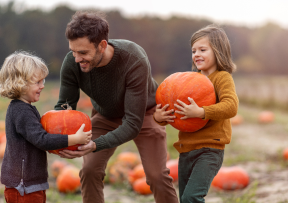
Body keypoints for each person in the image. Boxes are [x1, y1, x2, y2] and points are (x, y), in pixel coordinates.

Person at [54, 11, 178, 203]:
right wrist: (55, 137)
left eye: (83, 53)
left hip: (144, 114)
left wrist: (96, 144)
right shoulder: (72, 62)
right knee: (88, 171)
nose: (77, 59)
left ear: (102, 46)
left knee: (157, 176)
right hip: (105, 115)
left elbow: (132, 124)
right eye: (73, 51)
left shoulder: (133, 59)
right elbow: (65, 107)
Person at [153, 24, 239, 203]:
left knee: (192, 197)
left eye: (202, 49)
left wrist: (201, 112)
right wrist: (159, 118)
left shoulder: (222, 78)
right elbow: (174, 112)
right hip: (186, 150)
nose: (196, 54)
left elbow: (231, 106)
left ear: (218, 51)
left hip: (210, 149)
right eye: (193, 50)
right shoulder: (189, 81)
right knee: (185, 198)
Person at [0, 51, 92, 203]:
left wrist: (57, 145)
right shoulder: (21, 111)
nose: (42, 86)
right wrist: (74, 139)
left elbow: (36, 140)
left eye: (43, 81)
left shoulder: (25, 108)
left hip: (29, 184)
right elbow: (42, 140)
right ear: (21, 83)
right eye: (38, 82)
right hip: (24, 187)